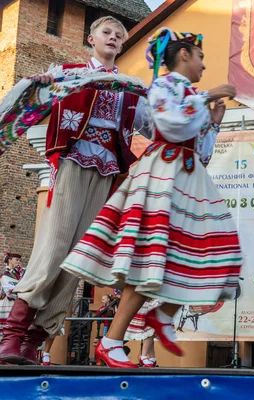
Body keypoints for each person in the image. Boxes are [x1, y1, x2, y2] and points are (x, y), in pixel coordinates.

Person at [59, 27, 243, 368]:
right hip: (162, 175)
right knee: (149, 259)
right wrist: (204, 99)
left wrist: (213, 125)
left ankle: (162, 315)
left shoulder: (191, 94)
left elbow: (201, 152)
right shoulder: (162, 86)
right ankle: (113, 341)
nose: (204, 65)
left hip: (188, 178)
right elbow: (172, 125)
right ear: (184, 55)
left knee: (216, 251)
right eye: (200, 57)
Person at [0, 16, 149, 366]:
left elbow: (152, 125)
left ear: (122, 45)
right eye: (106, 33)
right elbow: (34, 103)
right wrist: (43, 86)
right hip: (72, 161)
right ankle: (12, 335)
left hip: (107, 171)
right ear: (91, 39)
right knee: (54, 246)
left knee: (79, 259)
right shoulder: (69, 73)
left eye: (118, 35)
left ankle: (33, 343)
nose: (113, 38)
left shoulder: (131, 88)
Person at [124, 299, 162, 367]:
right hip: (149, 302)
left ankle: (151, 358)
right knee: (150, 329)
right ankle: (144, 356)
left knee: (151, 331)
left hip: (153, 301)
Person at [0, 254, 24, 340]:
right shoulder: (5, 276)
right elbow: (9, 292)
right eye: (16, 260)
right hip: (7, 305)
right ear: (10, 260)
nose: (19, 262)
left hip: (18, 304)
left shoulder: (21, 274)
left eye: (19, 260)